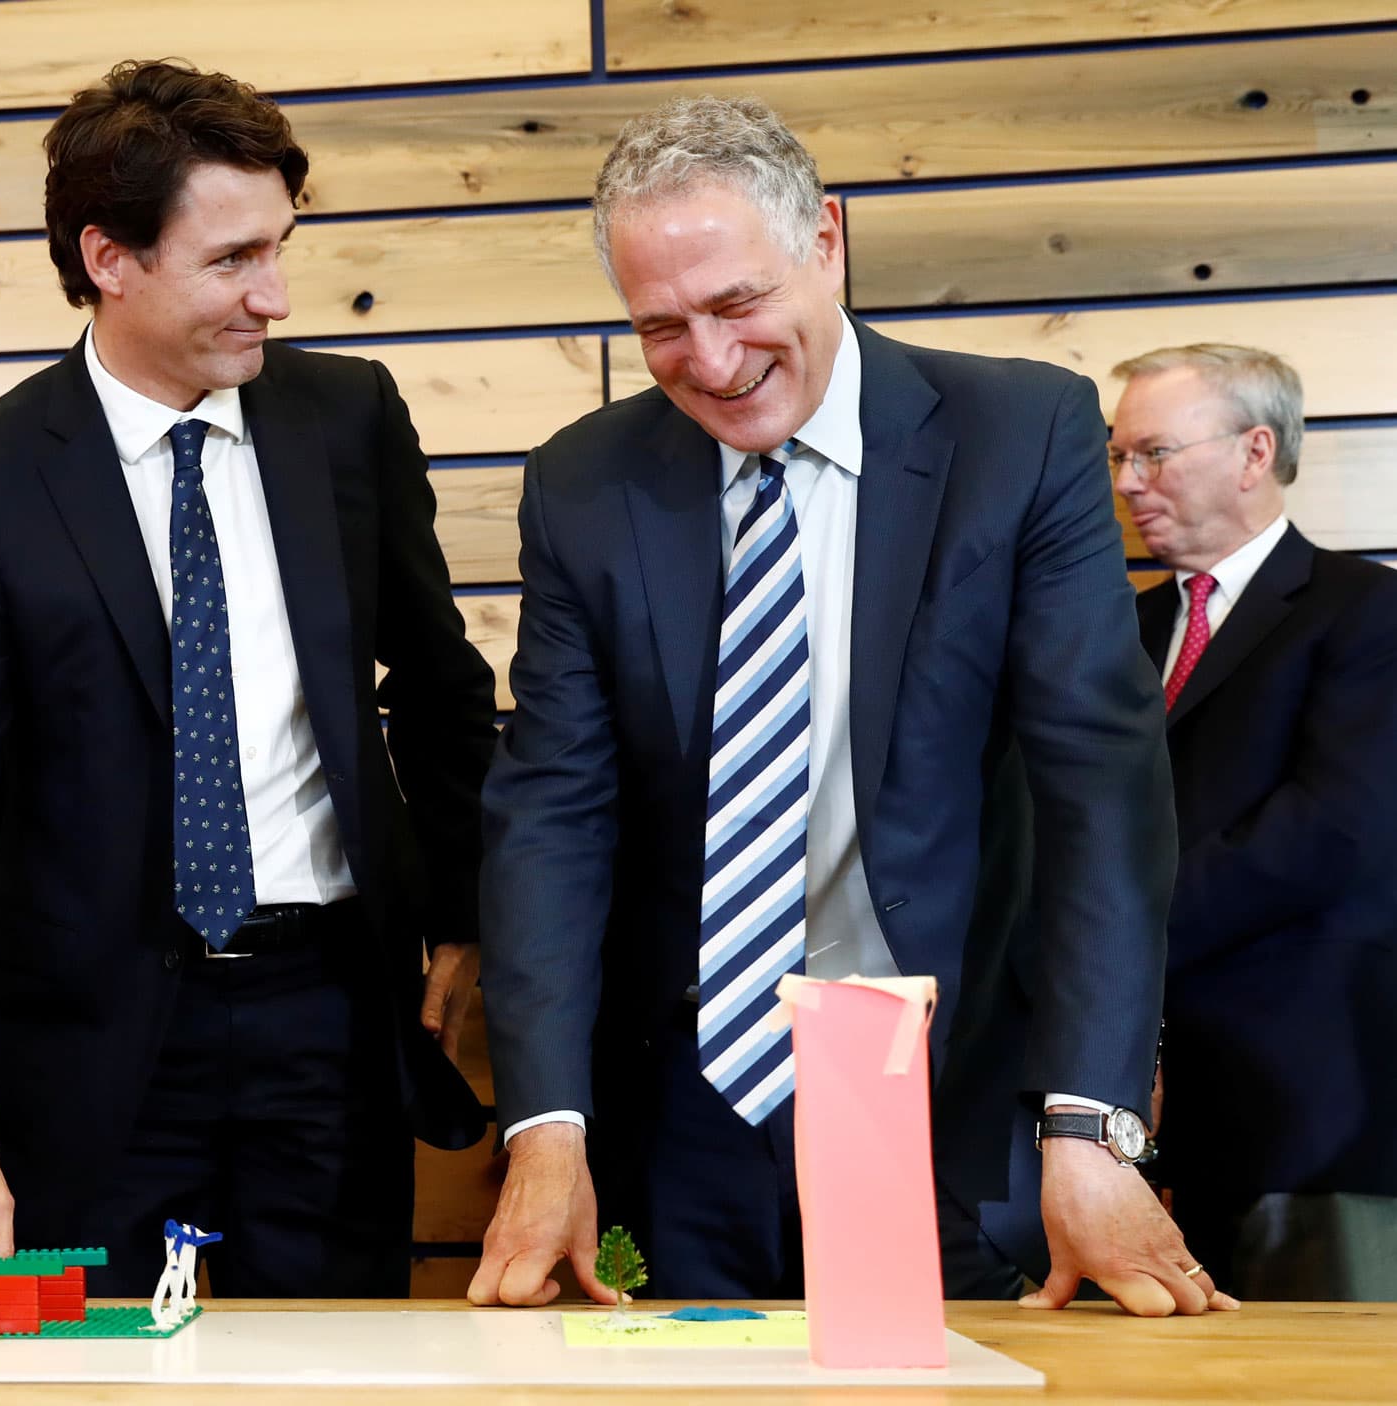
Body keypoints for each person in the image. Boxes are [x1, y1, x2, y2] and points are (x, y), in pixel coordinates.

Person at [472, 96, 1234, 1317]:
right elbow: (551, 808)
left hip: (946, 1093)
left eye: (735, 305)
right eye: (659, 326)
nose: (709, 365)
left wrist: (1088, 1119)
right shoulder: (583, 481)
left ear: (825, 239)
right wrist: (546, 1124)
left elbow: (1100, 790)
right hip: (684, 1108)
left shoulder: (1017, 432)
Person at [0, 59, 495, 1297]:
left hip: (326, 1016)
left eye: (278, 251)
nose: (271, 296)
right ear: (110, 258)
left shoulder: (346, 417)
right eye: (229, 261)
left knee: (335, 1368)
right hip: (88, 1048)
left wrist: (466, 913)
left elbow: (437, 687)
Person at [1110, 343, 1397, 1300]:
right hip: (1125, 1128)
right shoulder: (1117, 634)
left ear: (1254, 450)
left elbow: (1332, 832)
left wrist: (1116, 936)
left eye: (1152, 453)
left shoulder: (1368, 614)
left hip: (1305, 1112)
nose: (1127, 482)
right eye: (1116, 457)